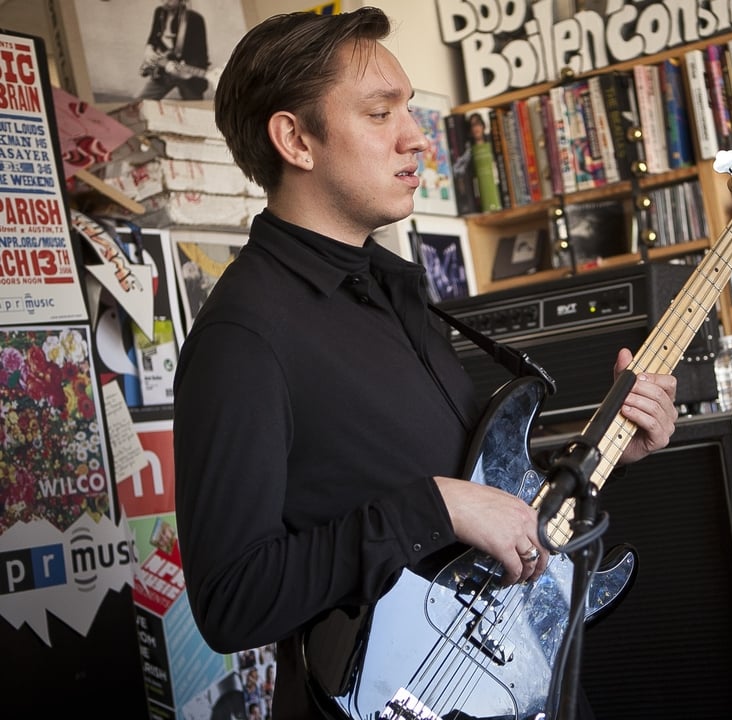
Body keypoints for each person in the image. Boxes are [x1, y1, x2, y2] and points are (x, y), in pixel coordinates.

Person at [172, 7, 679, 720]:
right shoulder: (243, 335)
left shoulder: (392, 289)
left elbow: (478, 492)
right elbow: (232, 600)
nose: (416, 139)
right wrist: (435, 506)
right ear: (294, 139)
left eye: (408, 109)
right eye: (381, 114)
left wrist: (604, 452)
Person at [139, 0, 210, 100]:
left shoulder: (195, 19)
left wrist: (184, 70)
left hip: (186, 75)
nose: (165, 2)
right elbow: (153, 38)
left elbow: (201, 55)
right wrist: (149, 49)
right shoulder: (159, 12)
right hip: (162, 71)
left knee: (196, 108)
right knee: (141, 103)